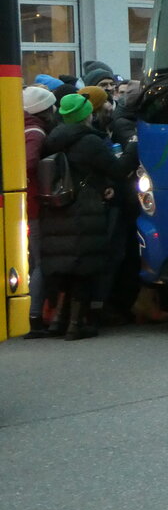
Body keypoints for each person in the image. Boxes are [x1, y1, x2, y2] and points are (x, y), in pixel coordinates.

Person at [39, 93, 139, 340]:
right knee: (84, 267)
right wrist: (133, 146)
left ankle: (58, 322)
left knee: (65, 268)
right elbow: (118, 169)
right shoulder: (89, 141)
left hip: (58, 209)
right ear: (86, 115)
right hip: (84, 210)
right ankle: (76, 325)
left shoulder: (53, 139)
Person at [22, 85, 58, 337]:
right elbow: (29, 162)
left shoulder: (21, 127)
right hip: (34, 205)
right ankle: (34, 316)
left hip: (25, 205)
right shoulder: (36, 132)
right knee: (39, 263)